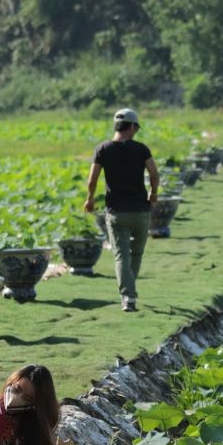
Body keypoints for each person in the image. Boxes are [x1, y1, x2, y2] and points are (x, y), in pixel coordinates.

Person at [83, 107, 160, 313]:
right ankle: (130, 293)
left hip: (117, 212)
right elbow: (154, 173)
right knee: (136, 253)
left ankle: (128, 297)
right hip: (141, 211)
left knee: (121, 256)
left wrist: (90, 199)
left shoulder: (103, 149)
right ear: (132, 127)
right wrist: (153, 194)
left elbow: (92, 179)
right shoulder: (142, 149)